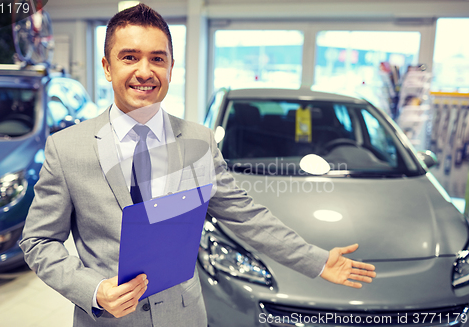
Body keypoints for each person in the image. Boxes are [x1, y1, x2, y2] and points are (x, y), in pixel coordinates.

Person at [19, 3, 376, 327]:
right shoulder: (66, 148)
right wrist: (94, 290)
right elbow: (38, 241)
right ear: (107, 67)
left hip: (184, 317)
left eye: (157, 59)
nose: (145, 71)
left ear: (171, 68)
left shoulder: (199, 141)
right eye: (129, 57)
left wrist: (316, 260)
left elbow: (246, 215)